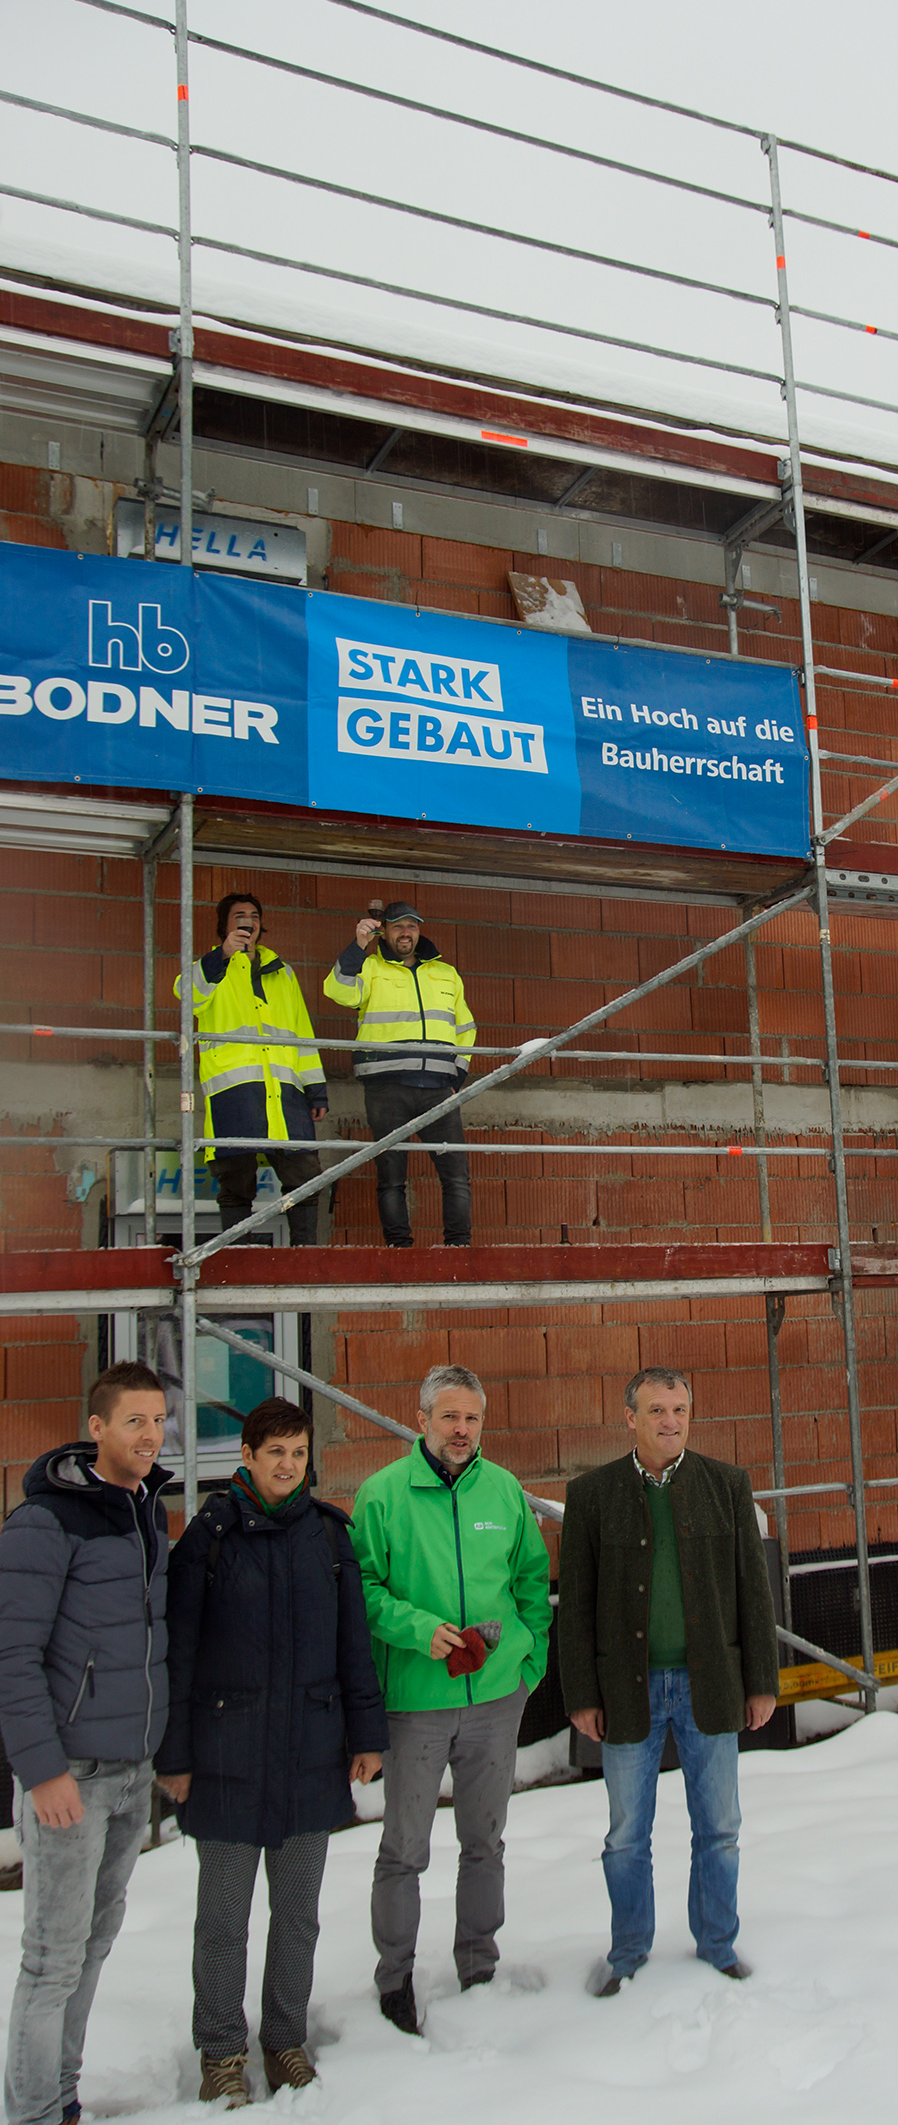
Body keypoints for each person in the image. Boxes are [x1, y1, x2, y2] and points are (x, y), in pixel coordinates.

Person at [153, 1398, 387, 2109]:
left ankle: (284, 2038)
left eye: (298, 1452)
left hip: (311, 1752)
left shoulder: (326, 1536)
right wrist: (176, 1755)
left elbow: (354, 1643)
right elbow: (180, 1654)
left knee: (298, 1912)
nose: (288, 1465)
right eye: (274, 1451)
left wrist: (367, 1732)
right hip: (226, 1757)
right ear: (246, 1458)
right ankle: (221, 2050)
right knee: (223, 1917)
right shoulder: (210, 1539)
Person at [557, 1367, 780, 1996]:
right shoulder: (593, 1494)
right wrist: (581, 1696)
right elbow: (574, 1606)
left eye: (680, 1409)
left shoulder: (727, 1486)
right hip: (627, 1689)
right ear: (629, 1417)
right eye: (656, 1410)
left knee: (720, 1827)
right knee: (627, 1835)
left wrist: (761, 1681)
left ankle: (718, 1942)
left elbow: (752, 1594)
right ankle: (628, 1951)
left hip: (710, 1685)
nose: (670, 1421)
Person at [350, 1365, 551, 2031]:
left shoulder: (503, 1493)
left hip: (495, 1699)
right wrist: (417, 1631)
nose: (461, 1430)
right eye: (449, 1417)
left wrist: (529, 1662)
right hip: (416, 1700)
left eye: (471, 1419)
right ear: (421, 1419)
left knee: (484, 1842)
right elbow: (364, 1592)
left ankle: (479, 1962)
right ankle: (394, 1977)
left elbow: (530, 1584)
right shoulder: (381, 1497)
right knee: (404, 1847)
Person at [0, 1362, 170, 2125]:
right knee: (51, 1958)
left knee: (94, 1945)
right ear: (95, 1427)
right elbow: (12, 1655)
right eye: (134, 1420)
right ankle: (34, 2112)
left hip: (130, 1769)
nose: (150, 1434)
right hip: (69, 1772)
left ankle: (60, 2095)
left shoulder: (143, 1510)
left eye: (160, 1420)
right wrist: (41, 1771)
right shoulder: (45, 1521)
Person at [322, 900, 477, 1249]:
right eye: (397, 926)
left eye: (411, 926)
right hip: (386, 1087)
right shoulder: (369, 968)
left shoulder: (445, 973)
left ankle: (458, 1245)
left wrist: (457, 1078)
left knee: (456, 1175)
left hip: (439, 1087)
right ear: (384, 932)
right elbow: (337, 991)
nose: (405, 932)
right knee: (391, 1175)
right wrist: (358, 945)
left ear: (419, 930)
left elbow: (466, 1028)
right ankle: (399, 1246)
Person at [179, 892, 328, 1244]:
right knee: (235, 1179)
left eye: (255, 915)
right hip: (235, 1094)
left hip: (285, 1094)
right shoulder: (209, 969)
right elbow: (187, 995)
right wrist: (223, 955)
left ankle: (303, 1255)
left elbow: (301, 1032)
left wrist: (316, 1088)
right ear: (224, 926)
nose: (248, 920)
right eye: (239, 915)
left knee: (304, 1175)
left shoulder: (282, 972)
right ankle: (238, 1255)